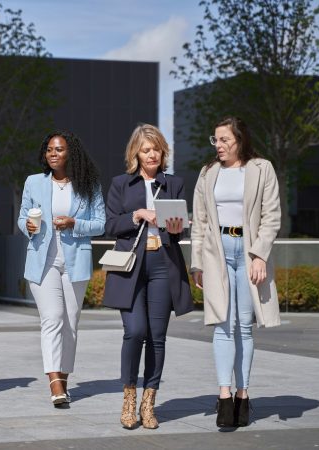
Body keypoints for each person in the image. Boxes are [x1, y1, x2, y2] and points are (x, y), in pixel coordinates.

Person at [190, 117, 281, 427]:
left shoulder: (261, 169)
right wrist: (197, 262)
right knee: (221, 323)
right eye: (215, 140)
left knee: (243, 325)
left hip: (248, 250)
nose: (219, 145)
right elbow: (200, 221)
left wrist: (259, 255)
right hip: (217, 252)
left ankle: (243, 395)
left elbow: (271, 216)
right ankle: (224, 396)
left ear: (240, 140)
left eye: (225, 140)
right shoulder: (208, 173)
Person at [103, 124, 194, 429]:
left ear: (162, 151)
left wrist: (178, 226)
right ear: (136, 154)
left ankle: (148, 402)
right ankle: (128, 398)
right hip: (130, 266)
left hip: (162, 263)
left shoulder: (175, 184)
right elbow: (111, 225)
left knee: (157, 337)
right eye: (145, 149)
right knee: (135, 331)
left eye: (156, 148)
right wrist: (138, 215)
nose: (151, 153)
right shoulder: (120, 184)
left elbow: (176, 234)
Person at [18, 130, 105, 407]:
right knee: (53, 318)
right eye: (49, 150)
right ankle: (55, 382)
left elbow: (101, 223)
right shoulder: (34, 182)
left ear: (71, 153)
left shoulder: (88, 185)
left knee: (70, 323)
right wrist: (28, 226)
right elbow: (22, 217)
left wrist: (74, 224)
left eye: (59, 150)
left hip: (75, 261)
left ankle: (64, 382)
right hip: (43, 260)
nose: (52, 154)